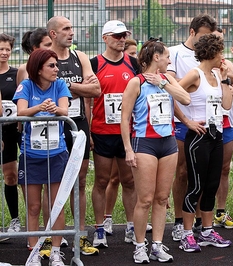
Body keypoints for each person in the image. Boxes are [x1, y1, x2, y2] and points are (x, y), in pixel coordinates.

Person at [121, 38, 190, 264]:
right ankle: (140, 245)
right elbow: (124, 118)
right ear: (156, 57)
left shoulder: (167, 78)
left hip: (168, 143)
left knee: (162, 198)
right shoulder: (136, 82)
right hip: (145, 143)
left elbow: (185, 99)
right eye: (167, 56)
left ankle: (157, 245)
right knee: (145, 199)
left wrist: (163, 84)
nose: (170, 60)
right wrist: (128, 149)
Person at [46, 15, 101, 256]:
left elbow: (96, 90)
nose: (71, 32)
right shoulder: (45, 58)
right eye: (66, 29)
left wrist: (67, 87)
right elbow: (43, 88)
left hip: (77, 124)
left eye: (72, 28)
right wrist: (78, 86)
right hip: (52, 126)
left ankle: (80, 235)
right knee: (54, 184)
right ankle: (51, 237)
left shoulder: (80, 57)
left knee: (79, 182)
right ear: (53, 34)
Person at [13, 48, 71, 266]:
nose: (56, 69)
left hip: (56, 153)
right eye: (51, 66)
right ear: (38, 69)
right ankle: (33, 251)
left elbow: (65, 109)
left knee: (56, 204)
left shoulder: (60, 85)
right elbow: (21, 111)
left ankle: (56, 251)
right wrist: (39, 107)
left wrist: (55, 108)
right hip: (31, 154)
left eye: (56, 65)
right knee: (34, 206)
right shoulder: (27, 85)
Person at [178, 33, 232, 253]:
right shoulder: (195, 74)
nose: (223, 56)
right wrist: (187, 121)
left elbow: (227, 104)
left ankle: (208, 231)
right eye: (221, 52)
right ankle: (187, 234)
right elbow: (173, 94)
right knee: (196, 186)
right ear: (212, 52)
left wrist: (226, 79)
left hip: (216, 135)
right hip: (198, 136)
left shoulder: (218, 75)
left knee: (211, 185)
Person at [89, 20, 140, 248]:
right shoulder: (94, 64)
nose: (121, 40)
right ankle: (99, 229)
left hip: (127, 133)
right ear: (105, 38)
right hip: (102, 131)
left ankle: (131, 226)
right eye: (117, 36)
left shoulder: (134, 64)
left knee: (129, 181)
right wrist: (89, 130)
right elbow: (87, 99)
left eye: (124, 36)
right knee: (101, 180)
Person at [166, 14, 217, 242]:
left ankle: (202, 223)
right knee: (184, 172)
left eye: (211, 37)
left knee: (207, 176)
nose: (206, 40)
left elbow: (232, 92)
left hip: (210, 126)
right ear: (192, 31)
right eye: (203, 36)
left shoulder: (215, 67)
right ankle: (179, 222)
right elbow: (171, 87)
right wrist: (184, 119)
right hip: (183, 123)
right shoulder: (175, 53)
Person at [212, 28, 233, 230]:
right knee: (203, 171)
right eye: (215, 39)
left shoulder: (226, 64)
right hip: (207, 122)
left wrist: (225, 72)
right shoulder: (199, 65)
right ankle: (199, 216)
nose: (219, 44)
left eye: (221, 41)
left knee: (224, 168)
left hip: (227, 122)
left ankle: (220, 212)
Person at [0, 33, 21, 234]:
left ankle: (20, 220)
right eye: (1, 49)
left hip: (18, 128)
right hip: (2, 132)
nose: (5, 53)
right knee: (9, 175)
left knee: (20, 176)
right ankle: (12, 219)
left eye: (7, 49)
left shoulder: (16, 74)